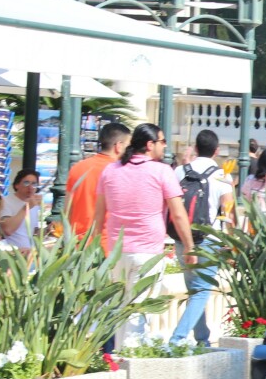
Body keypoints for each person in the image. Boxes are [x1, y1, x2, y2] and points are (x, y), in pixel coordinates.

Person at [92, 124, 196, 344]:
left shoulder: (110, 170)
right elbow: (178, 215)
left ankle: (119, 360)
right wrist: (189, 246)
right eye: (162, 141)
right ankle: (131, 362)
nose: (165, 146)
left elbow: (99, 216)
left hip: (116, 252)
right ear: (150, 145)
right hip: (146, 252)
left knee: (118, 310)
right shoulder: (161, 171)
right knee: (139, 311)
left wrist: (94, 248)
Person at [170, 129, 235, 345]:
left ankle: (202, 338)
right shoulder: (222, 176)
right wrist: (232, 241)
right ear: (216, 151)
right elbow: (228, 212)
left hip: (182, 237)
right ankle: (177, 340)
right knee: (201, 292)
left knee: (194, 290)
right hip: (209, 239)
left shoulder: (179, 171)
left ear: (196, 148)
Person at [67, 122, 130, 237]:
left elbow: (67, 209)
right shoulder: (120, 171)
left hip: (77, 242)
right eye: (128, 146)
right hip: (107, 242)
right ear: (119, 146)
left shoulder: (77, 168)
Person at [0, 168, 43, 250]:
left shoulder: (35, 205)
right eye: (26, 183)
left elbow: (33, 233)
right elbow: (8, 230)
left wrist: (48, 229)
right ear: (17, 185)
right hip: (13, 252)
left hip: (30, 253)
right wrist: (26, 207)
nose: (30, 187)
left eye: (34, 184)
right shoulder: (6, 201)